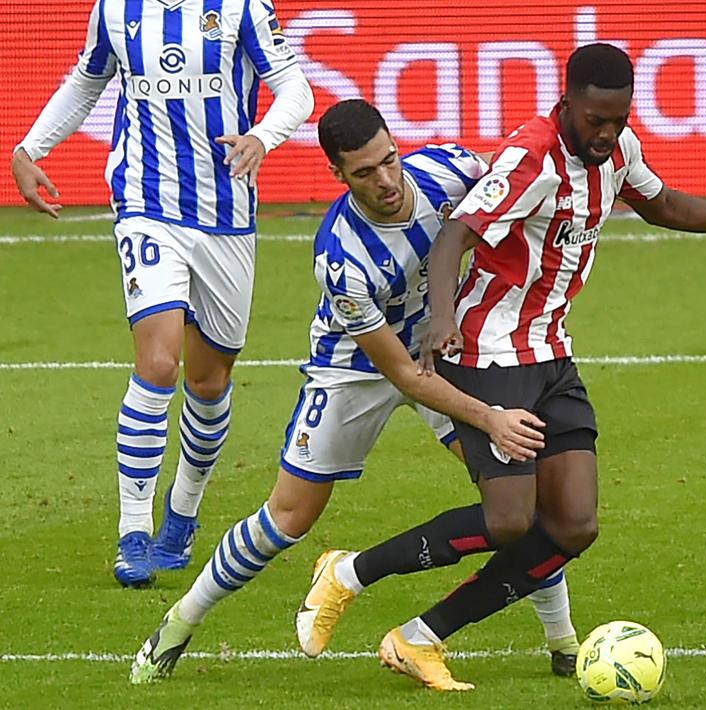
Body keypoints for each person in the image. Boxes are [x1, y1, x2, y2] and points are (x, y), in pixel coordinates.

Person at [297, 42, 706, 692]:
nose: (606, 133)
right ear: (568, 102)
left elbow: (663, 204)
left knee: (575, 524)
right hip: (488, 353)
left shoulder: (618, 150)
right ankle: (349, 573)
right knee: (508, 519)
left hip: (551, 353)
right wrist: (441, 318)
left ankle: (419, 636)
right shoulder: (530, 158)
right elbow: (454, 234)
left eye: (618, 119)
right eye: (595, 120)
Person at [130, 99, 577, 683]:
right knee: (288, 517)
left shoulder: (451, 170)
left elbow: (513, 193)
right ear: (337, 174)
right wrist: (489, 417)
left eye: (389, 160)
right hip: (357, 369)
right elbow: (400, 374)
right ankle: (179, 623)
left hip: (444, 349)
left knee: (518, 492)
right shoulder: (342, 257)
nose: (386, 180)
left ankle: (563, 640)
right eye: (365, 172)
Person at [10, 0, 315, 586]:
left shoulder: (242, 9)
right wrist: (29, 150)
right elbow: (86, 81)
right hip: (146, 205)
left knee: (210, 380)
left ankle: (183, 510)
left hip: (226, 215)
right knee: (157, 364)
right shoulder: (115, 10)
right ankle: (133, 533)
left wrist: (261, 137)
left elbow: (296, 90)